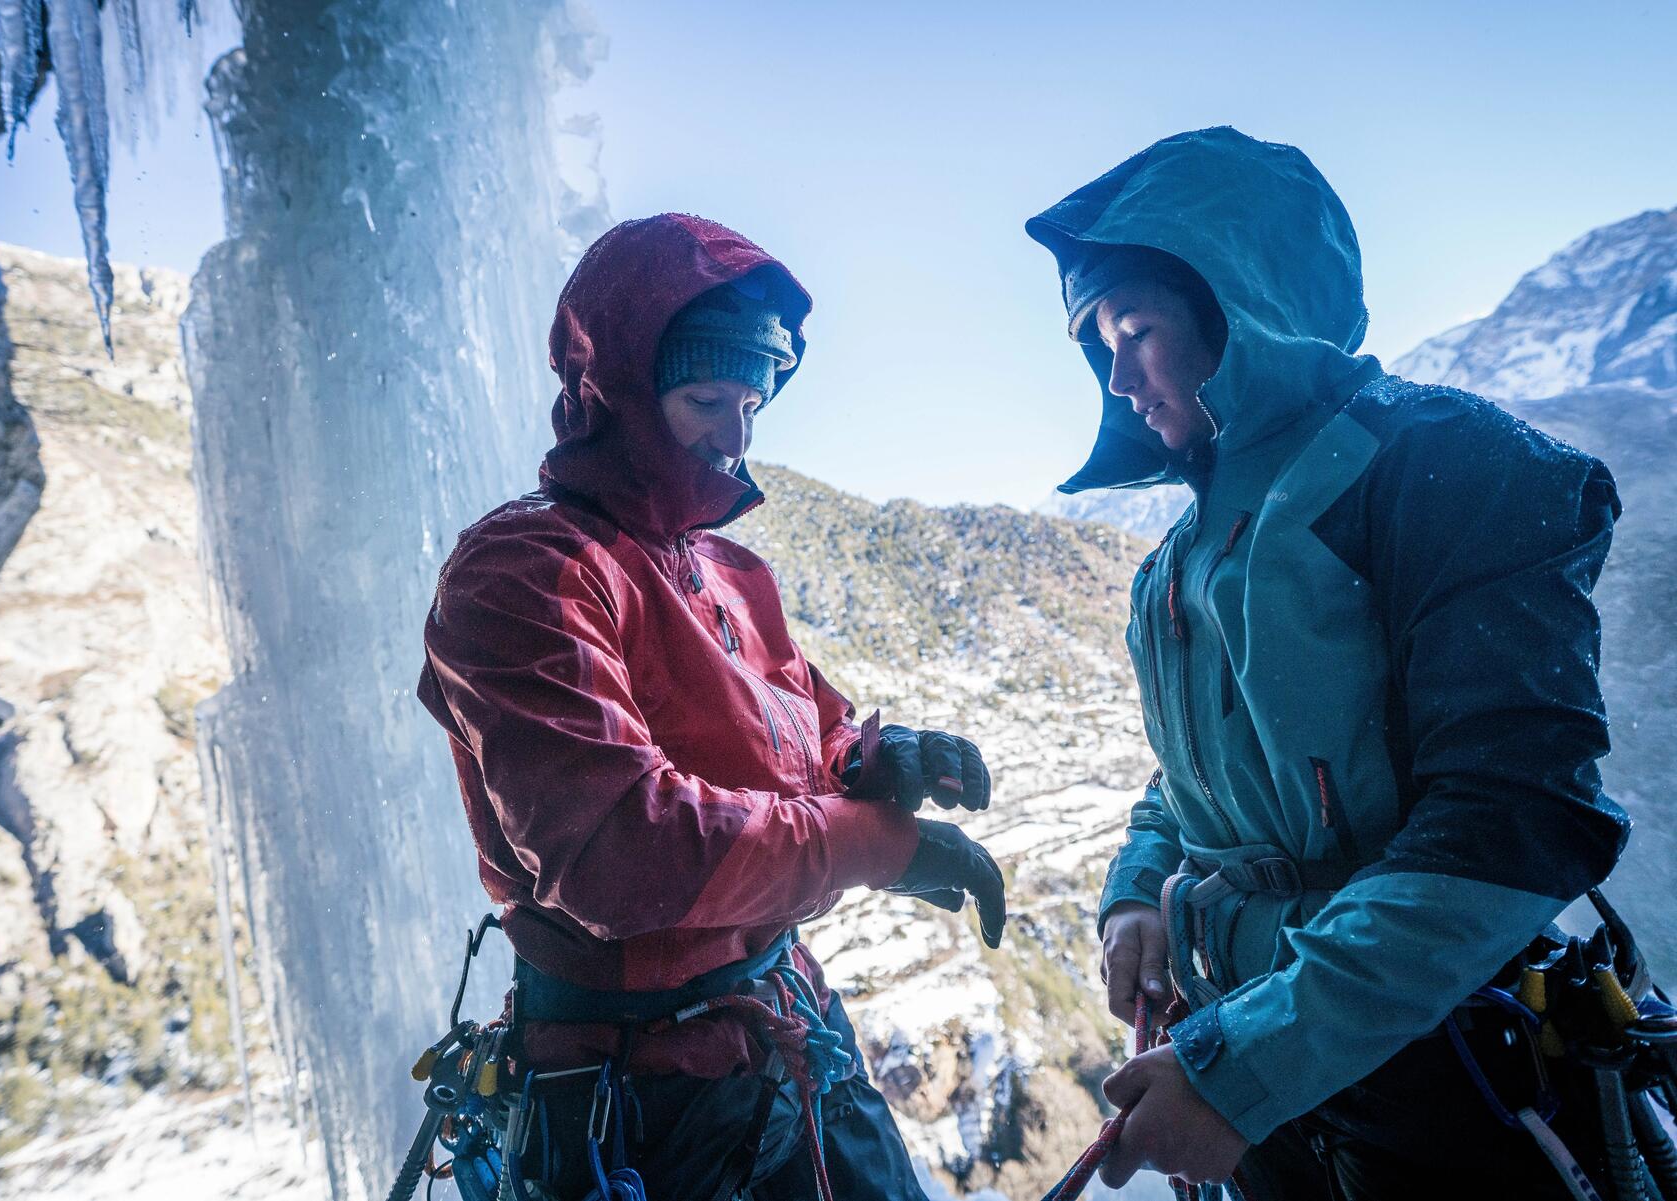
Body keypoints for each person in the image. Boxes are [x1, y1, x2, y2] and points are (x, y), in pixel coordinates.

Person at [1023, 128, 1629, 1197]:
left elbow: (1511, 816)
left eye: (1135, 329)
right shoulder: (1182, 553)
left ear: (1238, 302)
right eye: (1094, 344)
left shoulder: (1448, 467)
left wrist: (1245, 1067)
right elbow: (1199, 774)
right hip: (1256, 1072)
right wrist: (1139, 894)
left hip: (1431, 1071)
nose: (1114, 378)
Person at [417, 212, 1007, 1201]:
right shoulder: (524, 573)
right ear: (617, 391)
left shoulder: (726, 568)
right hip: (644, 1104)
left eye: (755, 400)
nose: (737, 438)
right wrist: (877, 845)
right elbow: (622, 851)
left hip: (784, 1029)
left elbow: (806, 732)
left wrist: (873, 760)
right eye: (705, 399)